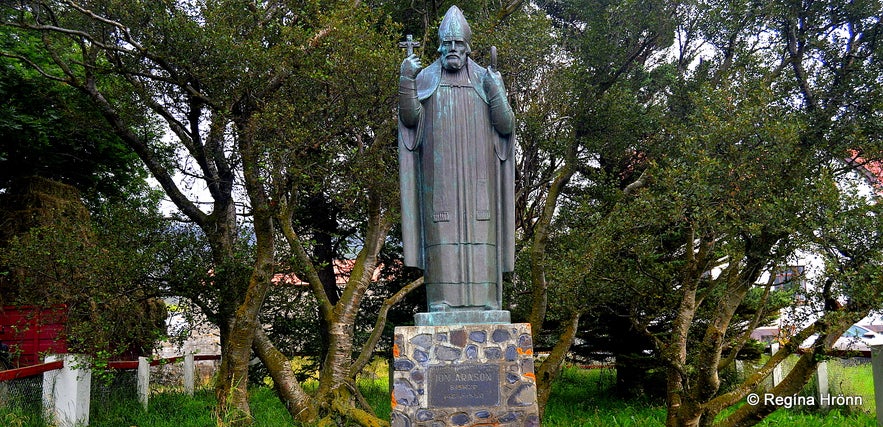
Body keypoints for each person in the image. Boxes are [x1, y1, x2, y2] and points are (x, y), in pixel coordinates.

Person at [398, 5, 515, 317]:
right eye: (447, 44)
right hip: (440, 178)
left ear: (467, 47)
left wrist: (495, 91)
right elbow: (410, 119)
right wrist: (406, 80)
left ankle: (487, 300)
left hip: (480, 175)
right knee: (442, 235)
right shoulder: (426, 77)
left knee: (482, 233)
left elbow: (506, 126)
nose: (452, 50)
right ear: (440, 46)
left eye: (458, 44)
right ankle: (442, 301)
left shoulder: (485, 77)